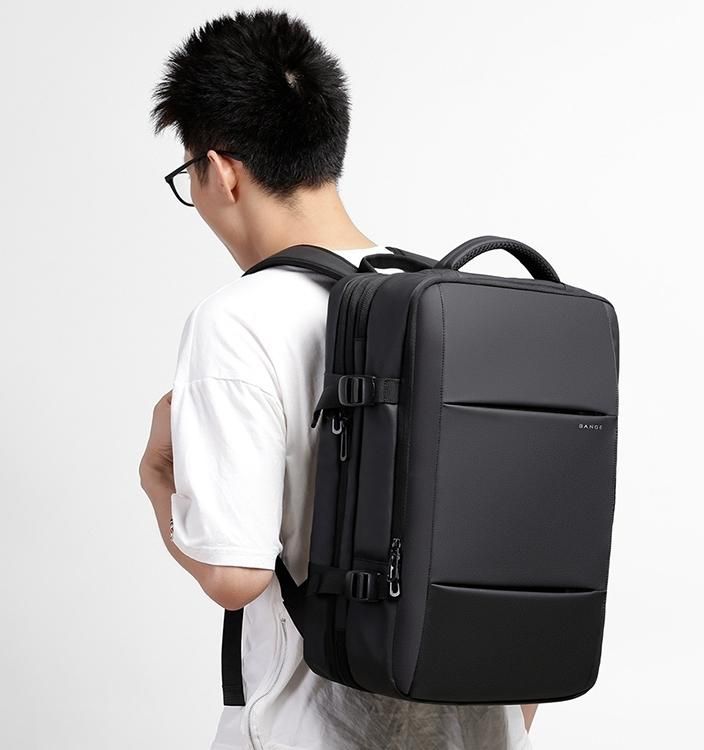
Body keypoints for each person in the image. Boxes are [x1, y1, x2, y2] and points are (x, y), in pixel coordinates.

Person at [139, 8, 537, 749]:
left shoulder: (236, 320)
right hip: (481, 727)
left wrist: (156, 477)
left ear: (220, 171)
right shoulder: (447, 301)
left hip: (308, 732)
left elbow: (235, 576)